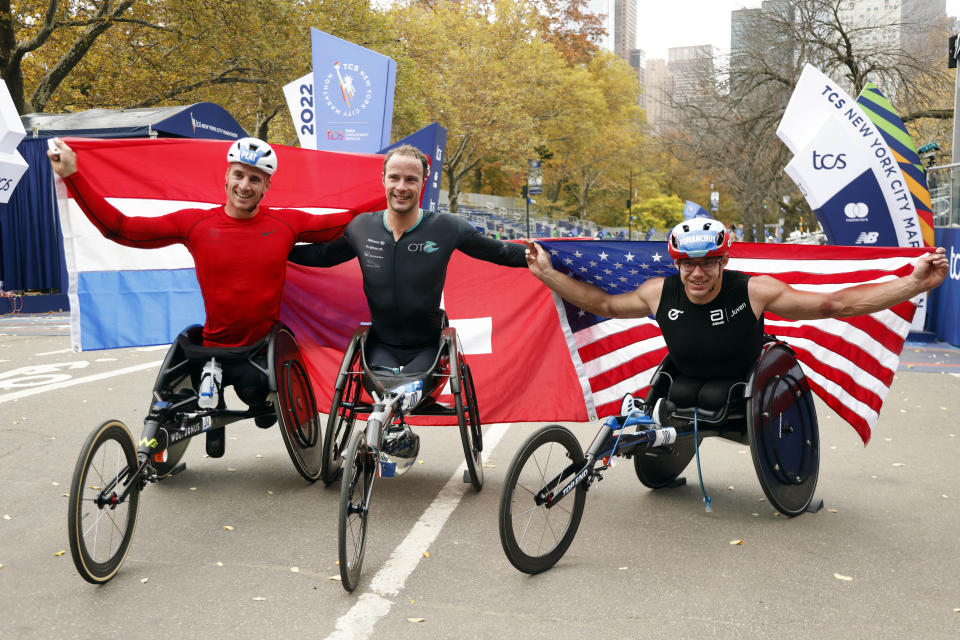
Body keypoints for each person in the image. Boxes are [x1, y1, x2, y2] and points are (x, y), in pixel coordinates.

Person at [48, 136, 354, 446]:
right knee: (208, 433)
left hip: (263, 357)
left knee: (263, 412)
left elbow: (350, 223)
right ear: (226, 176)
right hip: (210, 355)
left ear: (266, 186)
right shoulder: (195, 224)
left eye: (255, 179)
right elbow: (120, 228)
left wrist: (396, 197)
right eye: (238, 174)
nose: (245, 186)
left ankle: (259, 404)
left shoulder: (286, 223)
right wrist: (73, 174)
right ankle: (216, 412)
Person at [525, 216, 947, 408]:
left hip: (742, 381)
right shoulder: (657, 293)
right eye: (688, 263)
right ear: (676, 263)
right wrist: (546, 274)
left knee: (710, 395)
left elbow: (834, 304)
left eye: (708, 262)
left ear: (724, 262)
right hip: (685, 376)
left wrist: (913, 283)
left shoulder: (755, 291)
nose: (697, 273)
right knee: (682, 394)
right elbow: (601, 304)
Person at [288, 144, 526, 375]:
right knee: (384, 397)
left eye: (411, 179)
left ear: (424, 182)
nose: (401, 187)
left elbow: (502, 252)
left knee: (404, 395)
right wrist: (275, 249)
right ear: (383, 179)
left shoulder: (448, 227)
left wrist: (548, 259)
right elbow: (323, 256)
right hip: (380, 346)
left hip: (430, 348)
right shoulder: (362, 226)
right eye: (394, 177)